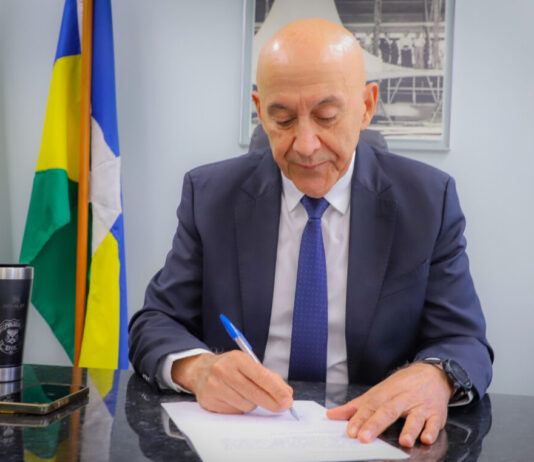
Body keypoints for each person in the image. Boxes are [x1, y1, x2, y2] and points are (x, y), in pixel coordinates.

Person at [128, 18, 493, 449]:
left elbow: (464, 341)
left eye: (326, 117)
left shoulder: (428, 201)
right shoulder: (211, 196)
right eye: (282, 119)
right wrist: (199, 369)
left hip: (369, 438)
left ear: (367, 106)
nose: (305, 145)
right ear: (260, 109)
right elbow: (155, 322)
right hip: (244, 437)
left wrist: (436, 376)